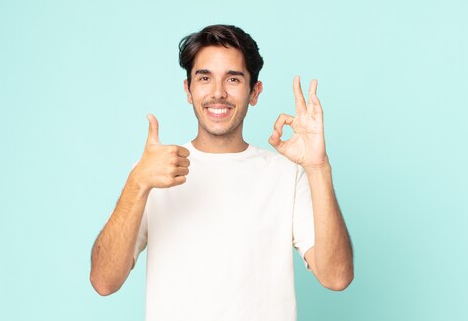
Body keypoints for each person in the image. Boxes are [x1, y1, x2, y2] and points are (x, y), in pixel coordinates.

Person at [90, 24, 354, 320]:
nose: (218, 93)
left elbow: (336, 277)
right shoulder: (154, 172)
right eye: (204, 78)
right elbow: (104, 282)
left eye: (233, 79)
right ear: (188, 90)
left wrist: (318, 168)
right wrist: (137, 182)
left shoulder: (286, 175)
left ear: (254, 92)